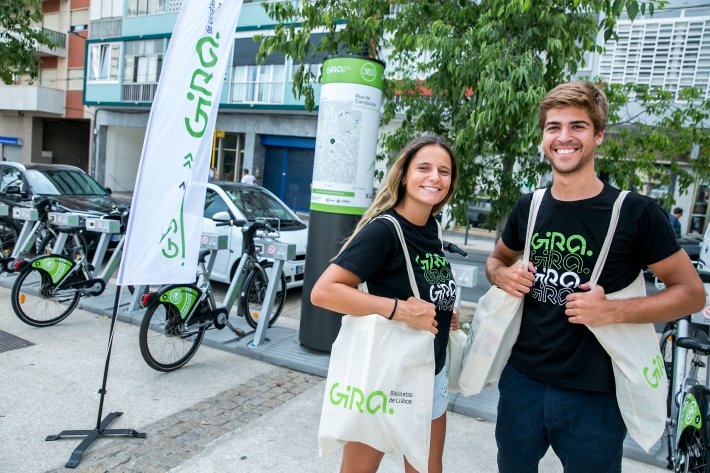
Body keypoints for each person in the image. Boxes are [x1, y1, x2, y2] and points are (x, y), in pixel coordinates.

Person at [487, 81, 706, 473]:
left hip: (595, 395)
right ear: (543, 137)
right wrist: (504, 276)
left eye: (578, 126)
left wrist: (612, 312)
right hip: (522, 383)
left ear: (599, 135)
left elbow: (691, 294)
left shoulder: (636, 213)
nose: (563, 137)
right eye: (553, 126)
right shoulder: (529, 206)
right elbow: (496, 261)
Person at [311, 135, 460, 473]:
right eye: (424, 168)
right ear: (405, 175)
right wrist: (397, 309)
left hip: (429, 373)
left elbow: (422, 284)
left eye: (444, 171)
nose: (434, 177)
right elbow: (324, 291)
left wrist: (445, 307)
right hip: (385, 375)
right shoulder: (385, 230)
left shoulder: (432, 229)